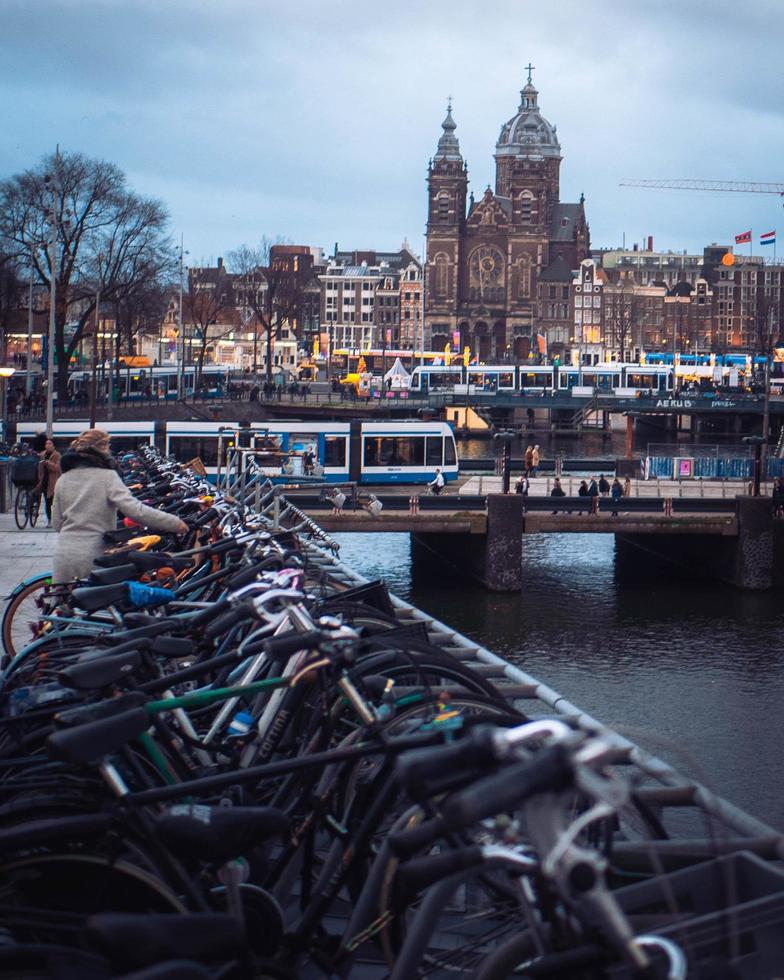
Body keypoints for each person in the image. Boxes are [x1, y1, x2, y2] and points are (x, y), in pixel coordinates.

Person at [51, 429, 188, 584]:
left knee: (65, 605)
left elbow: (57, 523)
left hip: (64, 555)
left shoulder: (64, 479)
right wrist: (174, 523)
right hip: (94, 557)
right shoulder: (107, 477)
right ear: (102, 448)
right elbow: (136, 511)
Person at [35, 438, 61, 527]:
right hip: (44, 481)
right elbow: (39, 468)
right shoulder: (42, 454)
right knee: (47, 502)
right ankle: (49, 520)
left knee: (54, 502)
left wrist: (48, 463)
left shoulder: (57, 455)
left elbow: (57, 468)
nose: (47, 445)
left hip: (53, 482)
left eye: (50, 444)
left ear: (54, 446)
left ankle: (55, 520)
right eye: (46, 443)